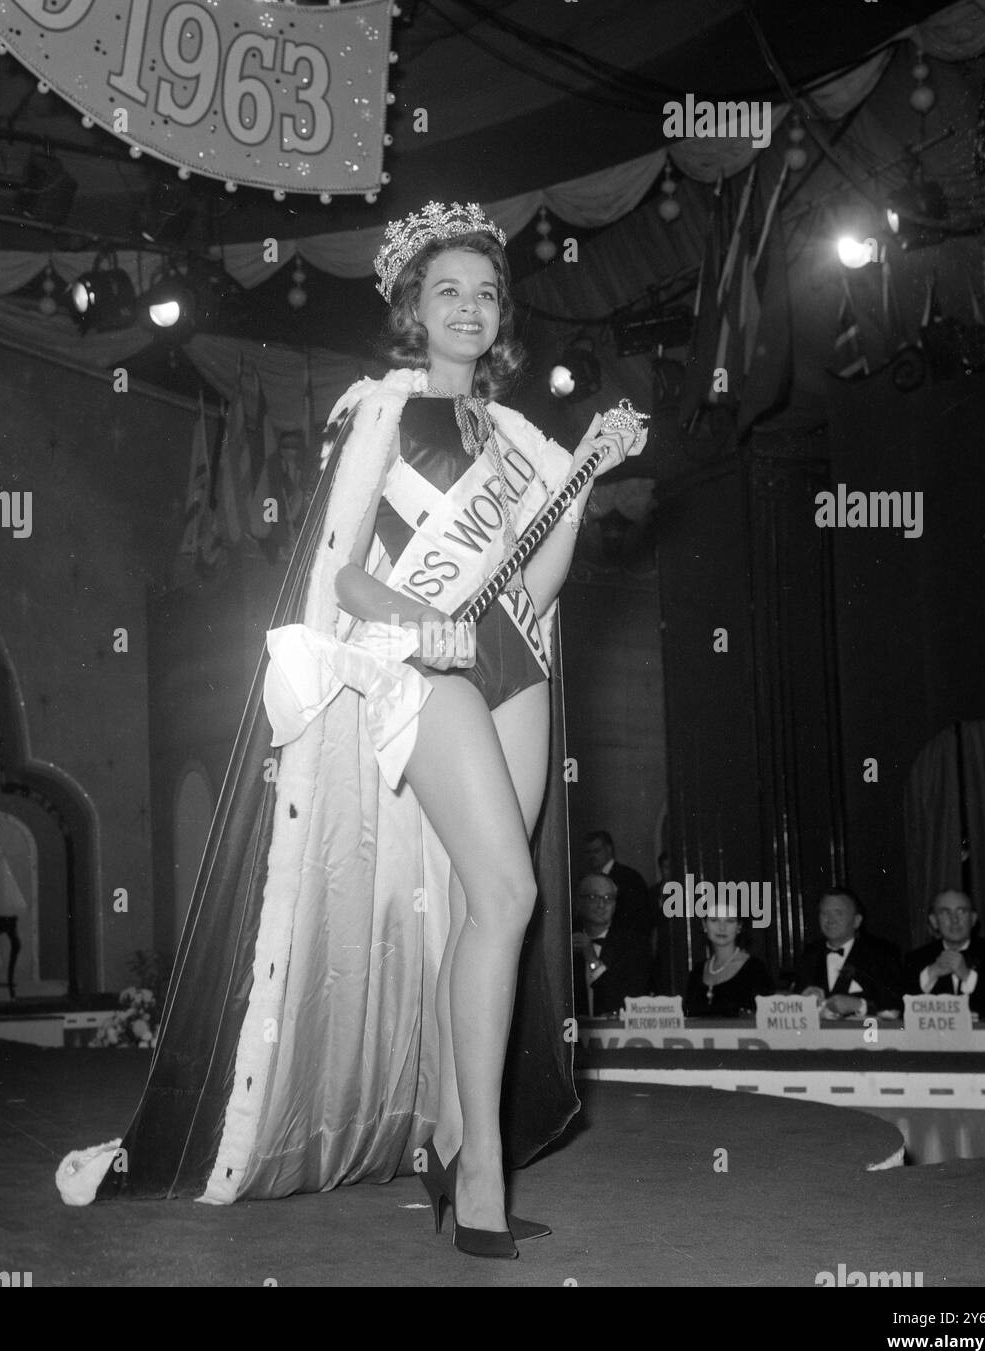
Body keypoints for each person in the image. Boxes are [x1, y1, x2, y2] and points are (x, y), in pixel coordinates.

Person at [79, 203, 647, 1257]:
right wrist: (411, 618)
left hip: (510, 662)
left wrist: (575, 492)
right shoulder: (377, 408)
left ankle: (447, 1132)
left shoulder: (516, 437)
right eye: (449, 291)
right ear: (413, 311)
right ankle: (481, 1165)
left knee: (490, 906)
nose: (469, 307)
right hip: (419, 665)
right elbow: (337, 565)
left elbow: (536, 587)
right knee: (511, 891)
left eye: (485, 291)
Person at [905, 889, 985, 1021]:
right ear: (934, 921)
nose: (954, 919)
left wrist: (968, 977)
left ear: (973, 919)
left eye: (961, 911)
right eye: (945, 912)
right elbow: (900, 1011)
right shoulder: (915, 959)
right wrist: (931, 974)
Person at [793, 887, 903, 1017]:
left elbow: (896, 1007)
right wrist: (802, 1001)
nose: (830, 920)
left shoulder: (881, 955)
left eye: (838, 913)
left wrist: (859, 1005)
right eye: (824, 913)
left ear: (857, 921)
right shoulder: (809, 955)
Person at [582, 828, 659, 991]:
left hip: (625, 955)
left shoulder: (629, 878)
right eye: (588, 852)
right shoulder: (586, 880)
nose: (592, 856)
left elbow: (642, 921)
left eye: (596, 850)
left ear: (609, 849)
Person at [572, 873, 647, 1017]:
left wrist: (592, 960)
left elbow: (624, 1002)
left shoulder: (634, 945)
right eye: (593, 897)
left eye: (608, 898)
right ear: (578, 902)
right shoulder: (565, 941)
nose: (602, 905)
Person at [683, 907, 773, 1017]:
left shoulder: (755, 970)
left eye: (729, 921)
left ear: (739, 926)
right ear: (704, 925)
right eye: (714, 920)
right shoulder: (697, 972)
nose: (722, 928)